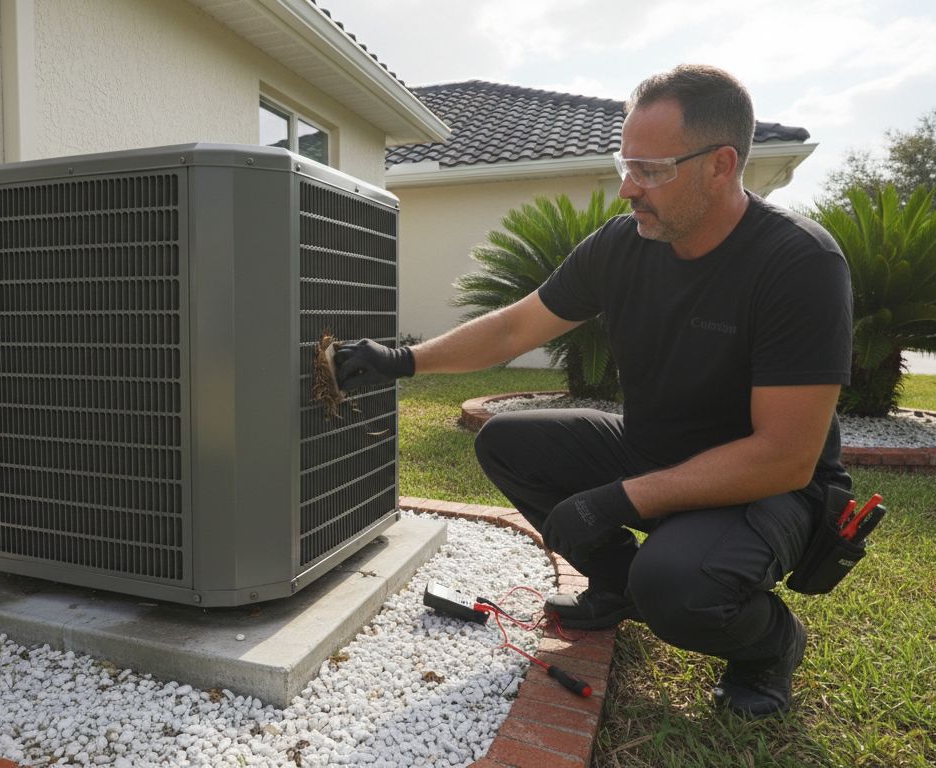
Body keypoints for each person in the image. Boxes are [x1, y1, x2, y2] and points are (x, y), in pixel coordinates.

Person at [334, 64, 853, 718]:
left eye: (651, 170)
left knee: (676, 588)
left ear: (720, 166)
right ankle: (615, 586)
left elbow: (785, 456)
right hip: (654, 449)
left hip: (766, 487)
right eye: (625, 164)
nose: (627, 188)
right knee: (507, 443)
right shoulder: (623, 246)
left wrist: (615, 499)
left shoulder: (798, 263)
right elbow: (514, 327)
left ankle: (771, 647)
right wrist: (403, 360)